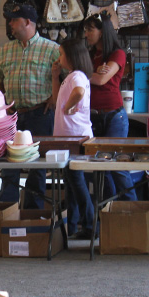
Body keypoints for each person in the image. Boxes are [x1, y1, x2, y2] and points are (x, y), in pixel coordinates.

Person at [0, 4, 60, 209]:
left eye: (14, 20)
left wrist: (54, 100)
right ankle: (6, 212)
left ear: (28, 22)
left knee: (37, 168)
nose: (10, 24)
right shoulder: (5, 50)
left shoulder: (53, 50)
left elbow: (66, 79)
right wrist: (0, 105)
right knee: (8, 165)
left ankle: (33, 215)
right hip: (12, 116)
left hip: (40, 114)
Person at [83, 11, 137, 201]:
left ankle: (134, 213)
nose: (86, 34)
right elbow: (90, 76)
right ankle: (107, 213)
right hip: (92, 117)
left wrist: (85, 72)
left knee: (117, 167)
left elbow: (101, 79)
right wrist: (90, 72)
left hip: (114, 116)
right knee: (100, 168)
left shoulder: (118, 54)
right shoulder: (90, 54)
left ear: (102, 31)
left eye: (90, 30)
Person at [51, 39, 95, 238]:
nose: (59, 59)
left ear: (71, 56)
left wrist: (69, 107)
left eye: (61, 54)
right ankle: (73, 225)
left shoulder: (77, 76)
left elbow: (79, 92)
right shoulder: (69, 77)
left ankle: (90, 225)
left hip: (74, 139)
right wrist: (54, 77)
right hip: (68, 138)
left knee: (76, 182)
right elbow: (55, 103)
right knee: (71, 183)